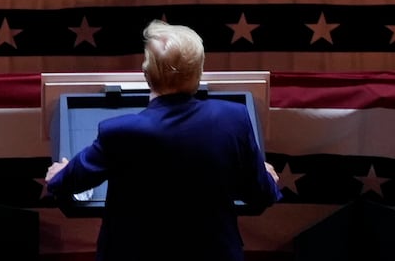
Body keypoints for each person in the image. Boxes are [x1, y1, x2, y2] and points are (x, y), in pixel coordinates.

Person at [45, 19, 280, 260]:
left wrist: (59, 174)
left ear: (146, 74)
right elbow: (259, 196)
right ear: (198, 72)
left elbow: (66, 182)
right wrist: (268, 178)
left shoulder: (119, 132)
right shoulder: (233, 118)